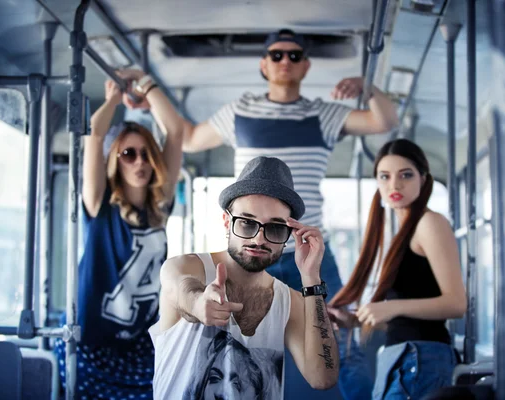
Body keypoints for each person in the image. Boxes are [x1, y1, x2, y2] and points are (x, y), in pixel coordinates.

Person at [120, 28, 399, 399]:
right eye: (277, 55)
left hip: (302, 249)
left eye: (295, 56)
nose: (286, 61)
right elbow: (185, 137)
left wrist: (368, 87)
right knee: (227, 338)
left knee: (340, 344)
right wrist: (149, 88)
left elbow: (384, 122)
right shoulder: (240, 111)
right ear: (264, 65)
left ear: (306, 66)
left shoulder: (324, 115)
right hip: (247, 249)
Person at [150, 156, 339, 400]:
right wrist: (198, 303)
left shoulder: (291, 303)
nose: (259, 239)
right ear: (227, 222)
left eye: (274, 228)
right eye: (247, 223)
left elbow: (322, 378)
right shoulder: (185, 266)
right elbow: (181, 289)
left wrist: (311, 277)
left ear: (289, 234)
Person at [53, 79, 184, 399]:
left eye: (145, 153)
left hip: (141, 337)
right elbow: (95, 134)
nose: (139, 161)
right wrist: (113, 99)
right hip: (93, 340)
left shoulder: (160, 206)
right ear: (115, 159)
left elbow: (176, 131)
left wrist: (146, 84)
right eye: (128, 154)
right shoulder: (100, 205)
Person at [328, 139, 467, 400]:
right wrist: (356, 320)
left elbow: (456, 303)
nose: (394, 185)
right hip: (404, 358)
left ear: (424, 180)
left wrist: (389, 308)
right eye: (385, 176)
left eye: (406, 175)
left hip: (420, 359)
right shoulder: (401, 233)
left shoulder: (430, 223)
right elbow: (408, 316)